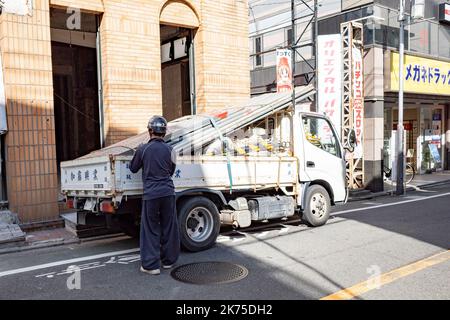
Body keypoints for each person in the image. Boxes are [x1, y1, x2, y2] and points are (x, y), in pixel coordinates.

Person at [130, 116, 180, 275]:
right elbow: (171, 171)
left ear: (149, 130)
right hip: (168, 192)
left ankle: (151, 266)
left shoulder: (143, 149)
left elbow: (133, 168)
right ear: (164, 132)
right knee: (169, 226)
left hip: (151, 194)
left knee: (150, 228)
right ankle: (168, 261)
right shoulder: (171, 150)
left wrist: (137, 152)